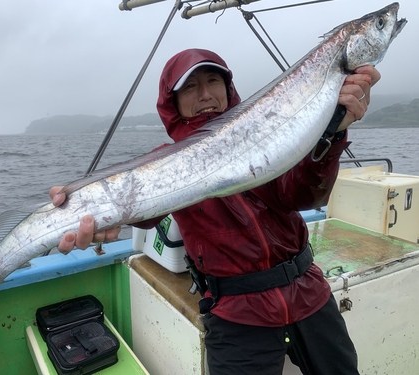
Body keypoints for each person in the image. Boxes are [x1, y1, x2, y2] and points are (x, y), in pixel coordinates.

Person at [50, 48, 380, 374]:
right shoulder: (163, 162)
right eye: (190, 87)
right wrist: (90, 214)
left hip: (309, 293)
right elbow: (139, 210)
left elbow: (304, 197)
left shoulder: (269, 132)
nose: (205, 94)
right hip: (237, 314)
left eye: (213, 80)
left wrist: (332, 133)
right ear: (173, 102)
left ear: (228, 88)